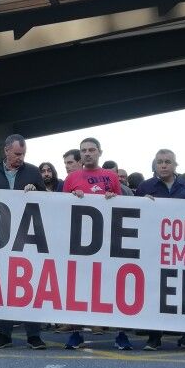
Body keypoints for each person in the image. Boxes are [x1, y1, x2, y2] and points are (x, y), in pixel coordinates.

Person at [0, 134, 48, 349]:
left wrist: (36, 191)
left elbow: (46, 200)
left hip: (28, 237)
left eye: (23, 154)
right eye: (17, 154)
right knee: (3, 286)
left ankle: (34, 335)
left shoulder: (33, 171)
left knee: (31, 285)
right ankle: (3, 334)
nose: (20, 158)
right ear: (6, 151)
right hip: (1, 237)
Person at [62, 137, 127, 350]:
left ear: (100, 152)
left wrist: (112, 197)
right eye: (83, 150)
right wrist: (73, 197)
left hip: (109, 242)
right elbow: (61, 207)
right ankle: (76, 332)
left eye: (91, 150)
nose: (87, 153)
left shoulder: (110, 176)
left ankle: (121, 333)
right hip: (81, 243)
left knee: (115, 287)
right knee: (78, 288)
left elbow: (122, 206)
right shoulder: (71, 178)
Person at [135, 150, 185, 351]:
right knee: (156, 291)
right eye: (159, 162)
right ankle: (154, 337)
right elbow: (134, 213)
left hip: (181, 248)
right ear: (155, 165)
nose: (163, 165)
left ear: (175, 165)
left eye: (167, 162)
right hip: (154, 247)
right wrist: (140, 203)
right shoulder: (145, 187)